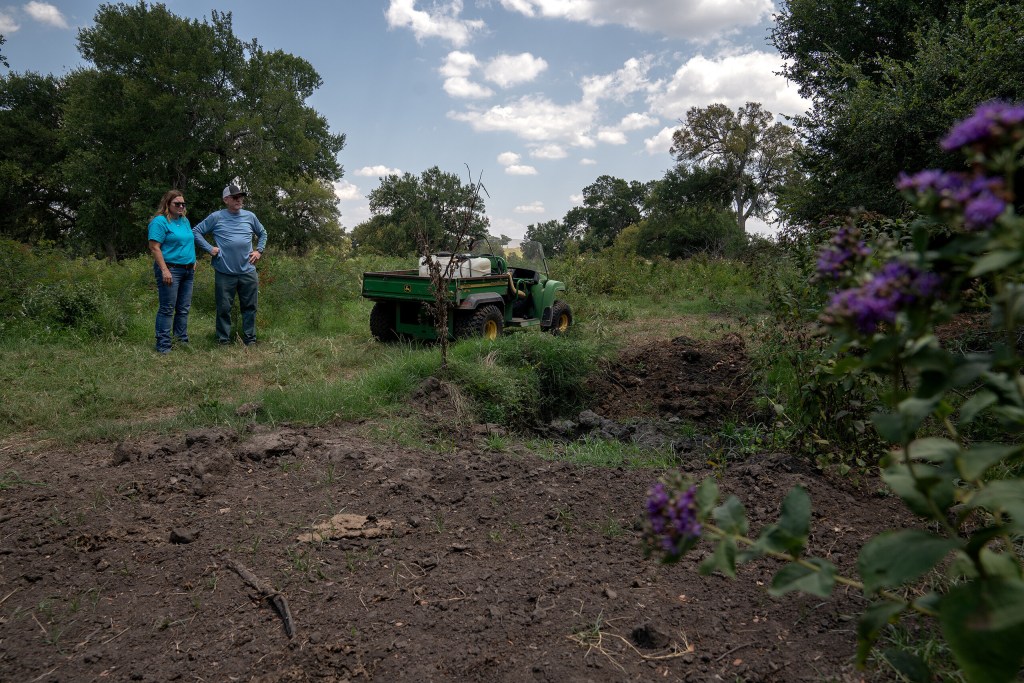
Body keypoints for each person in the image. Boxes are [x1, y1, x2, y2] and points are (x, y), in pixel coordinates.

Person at [192, 183, 268, 346]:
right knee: (224, 307)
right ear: (226, 199)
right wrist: (209, 248)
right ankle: (223, 340)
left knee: (250, 306)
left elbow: (262, 233)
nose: (239, 200)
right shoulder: (216, 217)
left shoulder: (250, 216)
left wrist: (259, 251)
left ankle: (250, 339)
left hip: (247, 270)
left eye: (240, 197)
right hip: (224, 271)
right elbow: (196, 232)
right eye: (235, 197)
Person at [148, 190, 195, 354]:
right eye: (177, 203)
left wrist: (193, 260)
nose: (181, 206)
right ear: (167, 204)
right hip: (171, 269)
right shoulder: (159, 222)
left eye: (183, 204)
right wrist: (164, 270)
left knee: (183, 308)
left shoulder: (185, 221)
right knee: (167, 308)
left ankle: (181, 340)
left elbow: (188, 241)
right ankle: (163, 345)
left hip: (188, 270)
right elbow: (154, 247)